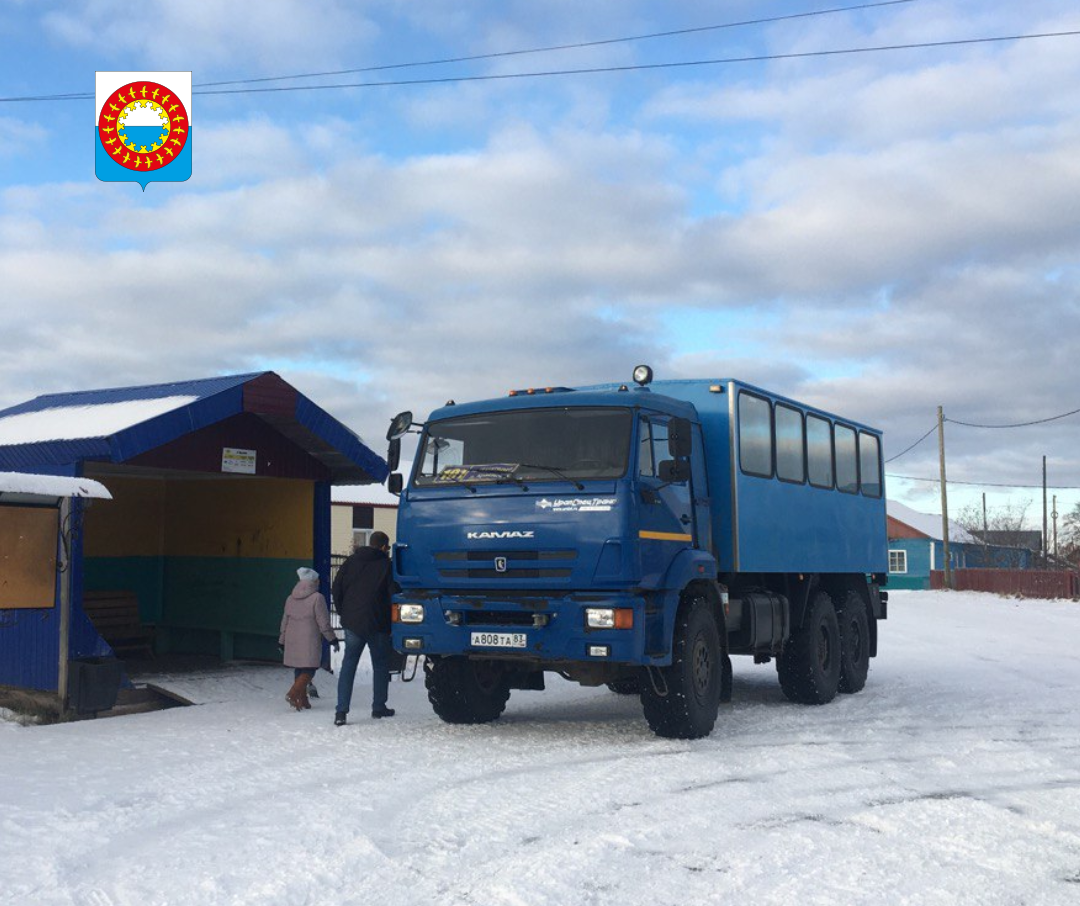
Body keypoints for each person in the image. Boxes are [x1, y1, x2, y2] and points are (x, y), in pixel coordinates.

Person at [332, 531, 396, 725]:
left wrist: (345, 613)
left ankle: (341, 713)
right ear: (384, 547)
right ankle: (378, 707)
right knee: (380, 665)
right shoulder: (386, 565)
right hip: (378, 623)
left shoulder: (351, 561)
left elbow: (337, 588)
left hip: (353, 622)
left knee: (349, 665)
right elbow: (393, 593)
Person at [279, 566, 338, 711]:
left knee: (299, 668)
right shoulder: (317, 598)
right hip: (309, 639)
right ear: (313, 581)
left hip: (292, 637)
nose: (318, 582)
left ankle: (303, 699)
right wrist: (332, 638)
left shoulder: (290, 598)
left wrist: (281, 640)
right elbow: (323, 622)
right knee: (310, 669)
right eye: (317, 580)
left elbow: (284, 620)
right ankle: (293, 693)